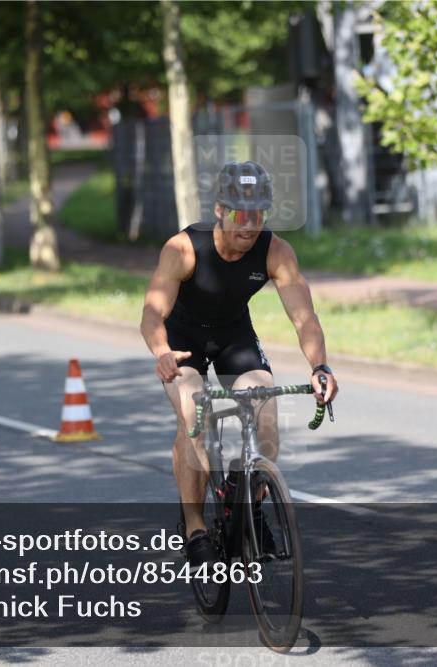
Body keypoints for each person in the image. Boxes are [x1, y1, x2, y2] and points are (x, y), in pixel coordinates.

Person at [140, 160, 338, 572]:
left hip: (233, 336)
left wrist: (321, 367)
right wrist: (161, 351)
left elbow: (304, 318)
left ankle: (243, 492)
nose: (249, 225)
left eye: (259, 214)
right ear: (219, 209)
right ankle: (194, 529)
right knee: (194, 412)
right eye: (239, 213)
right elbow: (152, 314)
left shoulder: (276, 251)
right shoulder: (184, 249)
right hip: (182, 343)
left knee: (265, 408)